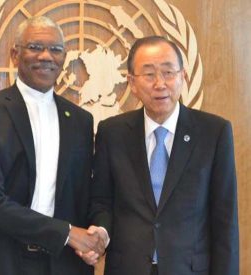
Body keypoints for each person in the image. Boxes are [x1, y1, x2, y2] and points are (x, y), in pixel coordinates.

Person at [0, 16, 105, 275]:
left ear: (63, 58)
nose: (46, 56)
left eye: (56, 49)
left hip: (64, 264)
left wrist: (99, 233)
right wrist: (67, 234)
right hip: (2, 261)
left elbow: (85, 194)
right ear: (15, 55)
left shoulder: (81, 120)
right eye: (35, 47)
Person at [87, 36, 239, 275]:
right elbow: (102, 201)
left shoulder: (214, 132)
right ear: (132, 83)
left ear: (183, 77)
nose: (160, 83)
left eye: (168, 72)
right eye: (148, 74)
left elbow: (225, 220)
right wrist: (102, 230)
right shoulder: (112, 132)